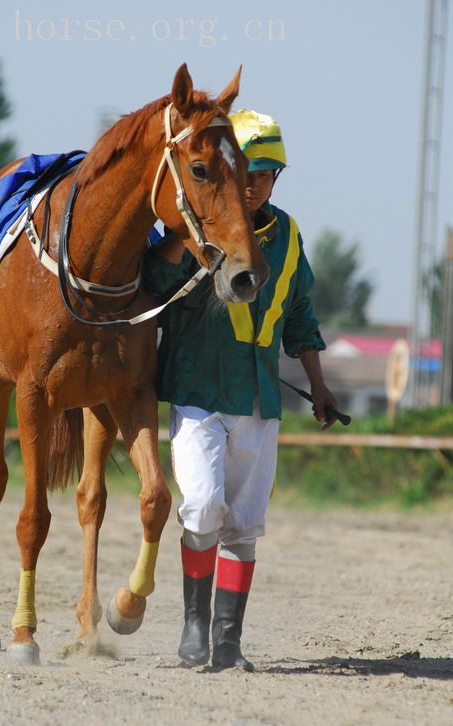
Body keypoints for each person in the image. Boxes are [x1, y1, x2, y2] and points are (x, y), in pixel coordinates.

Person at [143, 109, 337, 671]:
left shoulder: (291, 236)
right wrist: (180, 239)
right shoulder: (191, 229)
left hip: (259, 401)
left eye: (266, 173)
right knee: (202, 508)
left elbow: (300, 318)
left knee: (244, 526)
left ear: (277, 178)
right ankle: (193, 627)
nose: (253, 183)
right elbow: (153, 286)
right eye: (246, 170)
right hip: (198, 392)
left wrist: (319, 389)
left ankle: (227, 643)